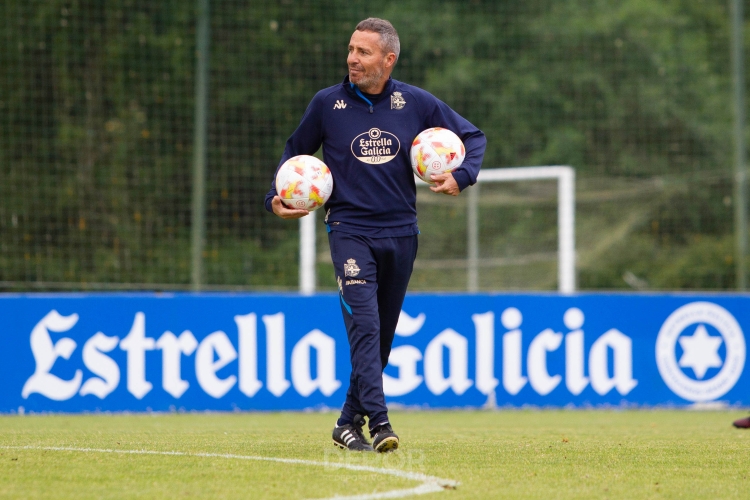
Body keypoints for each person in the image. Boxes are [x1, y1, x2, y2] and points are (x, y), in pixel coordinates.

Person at [264, 18, 486, 452]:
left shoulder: (416, 103)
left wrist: (463, 175)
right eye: (350, 50)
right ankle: (380, 423)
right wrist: (275, 197)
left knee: (381, 334)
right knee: (364, 326)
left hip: (402, 233)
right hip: (350, 232)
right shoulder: (327, 104)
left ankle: (347, 423)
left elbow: (473, 137)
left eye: (363, 52)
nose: (352, 59)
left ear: (389, 59)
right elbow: (294, 154)